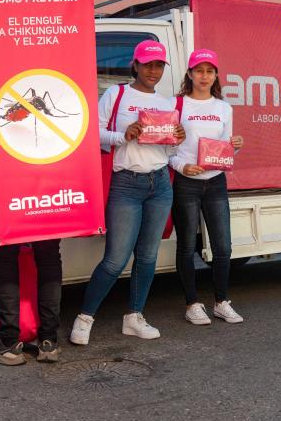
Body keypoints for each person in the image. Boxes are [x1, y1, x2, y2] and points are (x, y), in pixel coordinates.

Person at [70, 40, 186, 344]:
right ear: (134, 65)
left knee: (147, 257)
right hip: (126, 184)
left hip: (160, 184)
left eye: (159, 65)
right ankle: (85, 318)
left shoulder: (167, 104)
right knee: (115, 259)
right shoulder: (116, 94)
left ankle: (134, 316)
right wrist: (124, 135)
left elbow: (170, 149)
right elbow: (91, 132)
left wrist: (177, 138)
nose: (153, 70)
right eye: (147, 64)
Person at [0, 61, 63, 365]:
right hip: (50, 162)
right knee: (48, 254)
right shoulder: (55, 38)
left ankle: (9, 341)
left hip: (4, 164)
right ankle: (48, 340)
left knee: (6, 251)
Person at [168, 49, 244, 325]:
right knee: (187, 246)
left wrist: (234, 147)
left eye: (209, 71)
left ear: (216, 76)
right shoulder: (176, 105)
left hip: (215, 183)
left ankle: (221, 302)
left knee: (223, 247)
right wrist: (181, 167)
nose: (204, 76)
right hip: (186, 183)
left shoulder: (223, 108)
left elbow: (225, 153)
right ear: (189, 74)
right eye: (199, 71)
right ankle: (192, 304)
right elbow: (165, 148)